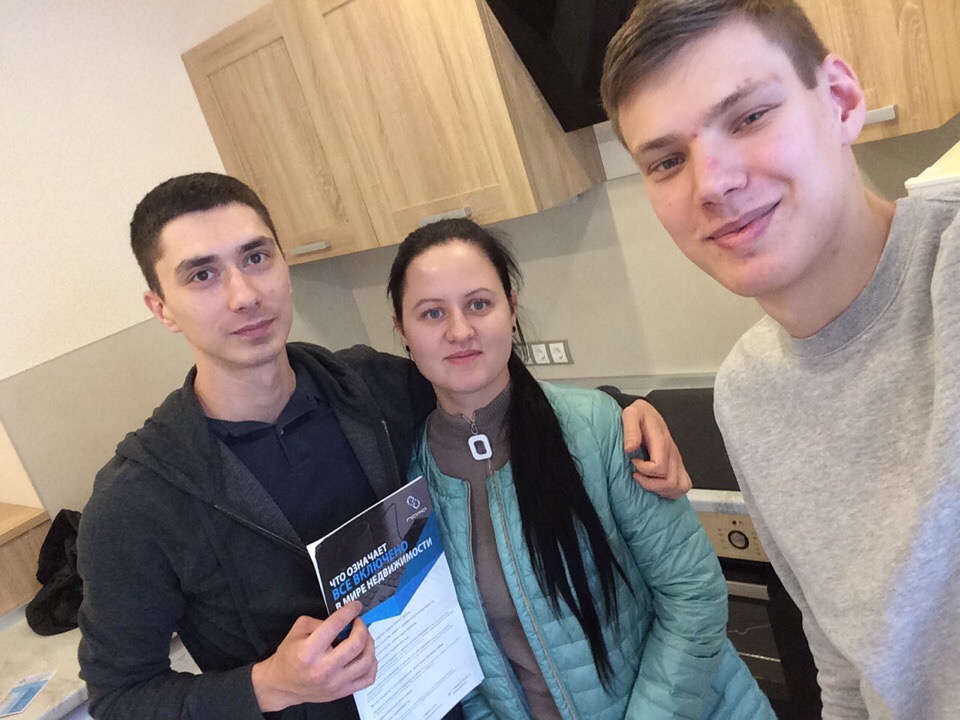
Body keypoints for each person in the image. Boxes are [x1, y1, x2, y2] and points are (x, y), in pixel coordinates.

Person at [76, 172, 690, 720]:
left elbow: (490, 386)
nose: (244, 294)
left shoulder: (372, 389)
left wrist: (624, 408)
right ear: (161, 308)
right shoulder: (136, 502)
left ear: (284, 264)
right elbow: (119, 697)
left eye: (256, 257)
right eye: (202, 274)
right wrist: (267, 685)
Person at [600, 1, 960, 718]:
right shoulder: (745, 392)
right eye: (667, 161)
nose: (712, 183)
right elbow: (844, 667)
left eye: (749, 116)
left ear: (842, 102)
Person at [387, 217, 775, 720]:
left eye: (479, 304)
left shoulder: (598, 427)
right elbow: (457, 662)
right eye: (432, 313)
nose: (459, 331)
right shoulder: (410, 480)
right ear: (402, 330)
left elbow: (693, 595)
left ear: (511, 308)